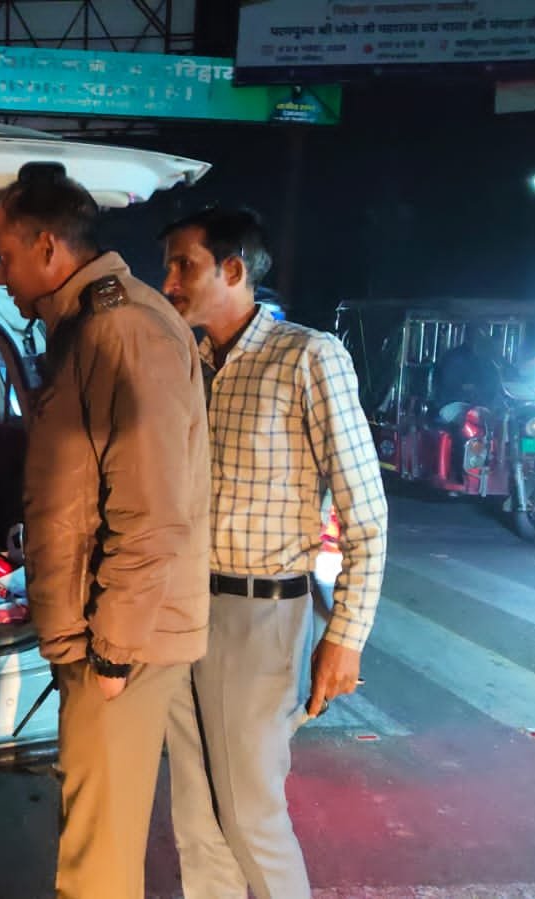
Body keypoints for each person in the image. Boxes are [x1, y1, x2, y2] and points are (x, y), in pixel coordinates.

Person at [0, 161, 213, 899]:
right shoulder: (90, 325)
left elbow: (151, 508)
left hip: (119, 640)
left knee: (98, 863)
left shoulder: (121, 329)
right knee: (94, 841)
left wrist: (111, 653)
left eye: (5, 256)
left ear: (48, 247)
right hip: (100, 632)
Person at [161, 207, 389, 899]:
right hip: (179, 609)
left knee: (250, 813)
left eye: (183, 265)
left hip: (259, 614)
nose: (168, 282)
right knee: (196, 819)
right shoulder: (187, 363)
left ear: (232, 270)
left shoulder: (307, 356)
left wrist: (344, 637)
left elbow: (365, 512)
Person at [433, 323, 504, 418]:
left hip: (482, 410)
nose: (484, 337)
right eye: (479, 333)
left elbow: (495, 388)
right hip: (453, 410)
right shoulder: (454, 358)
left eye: (485, 334)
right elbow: (448, 388)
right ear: (468, 336)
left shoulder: (489, 361)